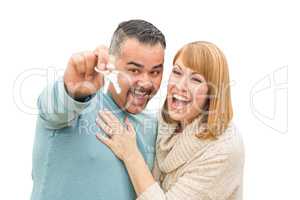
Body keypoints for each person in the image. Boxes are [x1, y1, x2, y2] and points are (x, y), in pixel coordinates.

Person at [31, 19, 166, 200]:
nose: (146, 82)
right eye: (134, 70)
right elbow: (53, 108)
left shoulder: (154, 127)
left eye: (155, 72)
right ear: (111, 65)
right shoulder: (76, 109)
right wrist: (73, 92)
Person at [96, 41, 245, 200]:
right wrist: (105, 59)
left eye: (196, 80)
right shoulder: (165, 123)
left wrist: (131, 155)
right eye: (177, 72)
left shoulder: (224, 149)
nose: (180, 86)